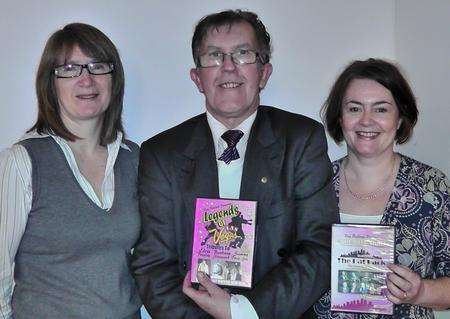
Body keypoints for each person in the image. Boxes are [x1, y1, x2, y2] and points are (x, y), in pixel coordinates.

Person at [132, 9, 339, 319]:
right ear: (197, 78)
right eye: (214, 56)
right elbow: (153, 265)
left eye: (242, 54)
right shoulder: (161, 153)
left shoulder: (301, 140)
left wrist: (243, 312)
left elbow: (320, 248)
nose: (228, 67)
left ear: (264, 72)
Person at [0, 23, 142, 318]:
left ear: (113, 79)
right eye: (69, 69)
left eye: (97, 66)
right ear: (50, 83)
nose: (86, 79)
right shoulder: (23, 161)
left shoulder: (134, 158)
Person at [306, 58, 450, 319]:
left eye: (381, 109)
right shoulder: (314, 182)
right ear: (340, 117)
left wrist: (421, 293)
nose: (366, 121)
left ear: (400, 118)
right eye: (354, 108)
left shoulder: (432, 187)